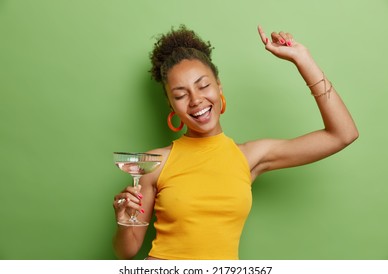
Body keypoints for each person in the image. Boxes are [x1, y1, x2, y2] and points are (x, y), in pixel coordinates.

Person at [112, 24, 359, 260]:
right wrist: (124, 219)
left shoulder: (249, 157)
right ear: (171, 106)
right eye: (180, 95)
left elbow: (342, 134)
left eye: (203, 86)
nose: (196, 100)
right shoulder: (154, 163)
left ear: (219, 87)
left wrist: (303, 59)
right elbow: (127, 250)